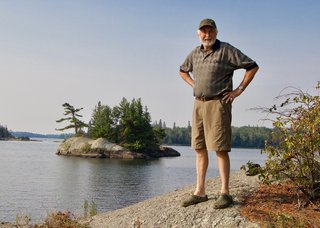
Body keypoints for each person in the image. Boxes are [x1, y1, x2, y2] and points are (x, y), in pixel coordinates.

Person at [179, 18, 259, 209]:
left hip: (218, 104)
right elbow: (182, 71)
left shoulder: (226, 50)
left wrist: (238, 90)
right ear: (199, 33)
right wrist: (194, 85)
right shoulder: (195, 53)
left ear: (216, 31)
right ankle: (200, 192)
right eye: (203, 31)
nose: (207, 34)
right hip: (198, 104)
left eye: (210, 31)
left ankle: (225, 193)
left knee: (220, 149)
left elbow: (252, 66)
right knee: (199, 148)